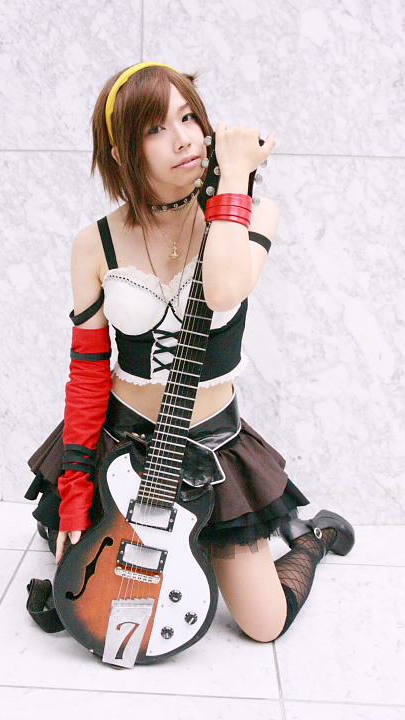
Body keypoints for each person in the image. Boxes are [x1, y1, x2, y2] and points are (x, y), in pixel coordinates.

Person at [26, 62, 354, 643]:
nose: (183, 139)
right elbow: (88, 373)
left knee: (263, 624)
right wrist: (75, 492)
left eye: (188, 118)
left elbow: (223, 289)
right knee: (83, 603)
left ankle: (311, 538)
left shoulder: (252, 215)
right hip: (122, 447)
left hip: (209, 448)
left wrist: (233, 180)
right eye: (155, 128)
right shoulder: (95, 242)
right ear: (123, 152)